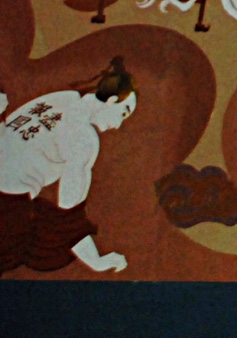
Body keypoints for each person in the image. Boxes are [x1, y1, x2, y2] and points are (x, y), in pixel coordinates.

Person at [0, 58, 136, 275]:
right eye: (123, 113)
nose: (118, 125)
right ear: (111, 101)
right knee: (42, 244)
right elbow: (67, 214)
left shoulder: (62, 98)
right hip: (8, 209)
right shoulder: (84, 138)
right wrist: (96, 261)